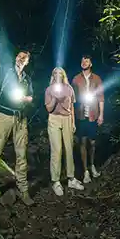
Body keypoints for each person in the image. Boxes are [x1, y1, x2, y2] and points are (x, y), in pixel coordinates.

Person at [0, 33, 34, 206]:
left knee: (21, 155)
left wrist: (26, 100)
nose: (22, 59)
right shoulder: (7, 69)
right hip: (4, 115)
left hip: (21, 119)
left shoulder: (27, 80)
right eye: (20, 56)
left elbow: (31, 98)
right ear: (16, 58)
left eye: (25, 58)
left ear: (27, 62)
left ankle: (23, 190)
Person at [45, 67, 84, 196]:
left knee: (69, 148)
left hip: (67, 119)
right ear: (53, 75)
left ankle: (71, 178)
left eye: (60, 73)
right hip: (54, 119)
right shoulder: (49, 90)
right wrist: (55, 98)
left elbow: (72, 107)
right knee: (57, 150)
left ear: (63, 75)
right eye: (55, 73)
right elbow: (49, 109)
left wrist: (73, 122)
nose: (57, 75)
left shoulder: (69, 89)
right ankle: (56, 181)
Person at [72, 56, 104, 183]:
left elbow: (101, 97)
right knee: (82, 142)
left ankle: (92, 165)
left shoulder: (96, 78)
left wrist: (101, 115)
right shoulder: (76, 79)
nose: (84, 63)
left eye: (86, 61)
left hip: (93, 114)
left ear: (91, 63)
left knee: (92, 142)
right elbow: (71, 98)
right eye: (82, 61)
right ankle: (85, 171)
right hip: (80, 115)